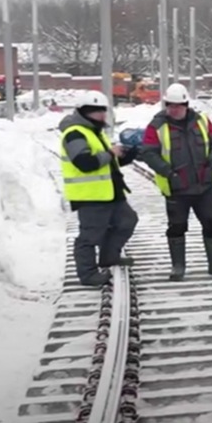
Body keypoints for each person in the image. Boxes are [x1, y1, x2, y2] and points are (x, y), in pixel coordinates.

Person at [138, 83, 212, 281]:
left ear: (186, 104)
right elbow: (148, 152)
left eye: (178, 105)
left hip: (204, 185)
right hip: (176, 187)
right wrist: (168, 173)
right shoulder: (156, 126)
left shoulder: (203, 121)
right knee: (177, 227)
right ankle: (178, 266)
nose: (174, 109)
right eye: (170, 105)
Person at [59, 91, 140, 287]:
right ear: (84, 112)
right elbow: (85, 162)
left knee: (127, 221)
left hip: (110, 193)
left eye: (103, 110)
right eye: (96, 111)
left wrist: (129, 154)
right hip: (90, 195)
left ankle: (108, 257)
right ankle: (87, 275)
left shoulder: (95, 132)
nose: (102, 115)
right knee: (89, 236)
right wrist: (110, 152)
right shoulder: (75, 133)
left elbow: (106, 162)